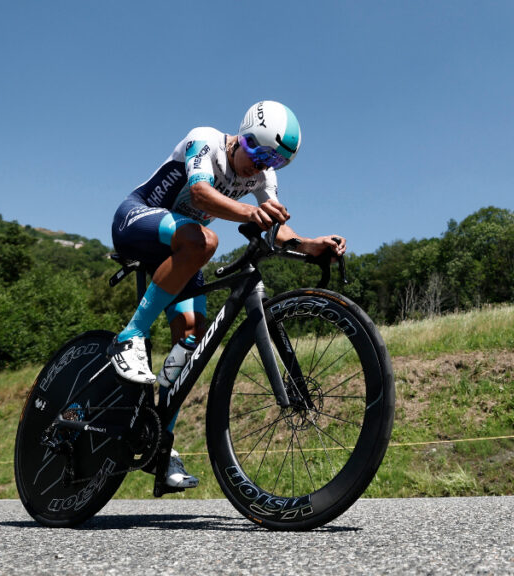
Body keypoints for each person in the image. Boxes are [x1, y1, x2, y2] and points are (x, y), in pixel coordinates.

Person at [109, 101, 347, 488]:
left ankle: (160, 443)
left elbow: (274, 227)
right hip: (138, 219)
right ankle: (129, 336)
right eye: (257, 151)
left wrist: (309, 244)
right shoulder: (205, 141)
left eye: (274, 161)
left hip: (184, 250)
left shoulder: (261, 179)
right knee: (206, 238)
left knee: (190, 338)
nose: (260, 165)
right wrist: (246, 212)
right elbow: (201, 194)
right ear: (242, 136)